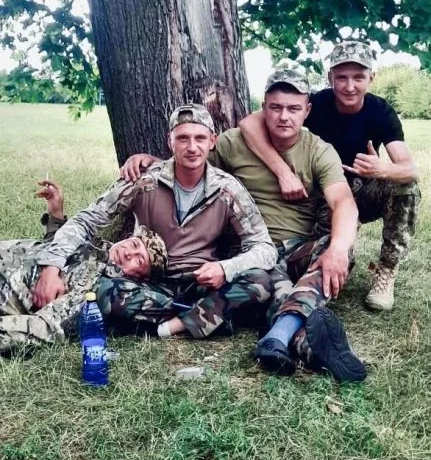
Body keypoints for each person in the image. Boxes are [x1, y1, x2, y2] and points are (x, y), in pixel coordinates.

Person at [121, 69, 366, 382]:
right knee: (273, 286)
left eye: (293, 109)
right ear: (263, 107)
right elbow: (191, 168)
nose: (284, 117)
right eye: (275, 108)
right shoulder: (232, 143)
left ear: (307, 110)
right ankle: (302, 343)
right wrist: (150, 161)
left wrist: (339, 250)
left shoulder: (318, 150)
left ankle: (277, 336)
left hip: (296, 247)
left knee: (335, 249)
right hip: (248, 250)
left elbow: (343, 201)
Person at [29, 105, 277, 344]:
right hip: (145, 281)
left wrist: (225, 268)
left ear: (212, 141)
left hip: (200, 282)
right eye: (183, 138)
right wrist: (51, 266)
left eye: (200, 138)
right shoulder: (144, 180)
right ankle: (209, 318)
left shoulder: (228, 189)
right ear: (170, 142)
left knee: (260, 281)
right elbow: (87, 220)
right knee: (103, 290)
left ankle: (171, 325)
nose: (192, 147)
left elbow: (265, 248)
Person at [239, 42, 420, 311]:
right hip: (325, 193)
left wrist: (381, 169)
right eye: (342, 77)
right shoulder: (317, 104)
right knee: (330, 251)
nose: (350, 86)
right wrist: (284, 172)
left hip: (365, 189)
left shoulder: (381, 111)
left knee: (406, 187)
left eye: (358, 77)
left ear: (371, 77)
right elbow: (249, 123)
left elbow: (409, 169)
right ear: (330, 77)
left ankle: (387, 269)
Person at [0, 180, 168, 358]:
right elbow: (58, 252)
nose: (128, 254)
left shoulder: (94, 287)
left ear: (139, 278)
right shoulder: (95, 249)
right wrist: (56, 216)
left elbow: (42, 329)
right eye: (134, 244)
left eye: (138, 260)